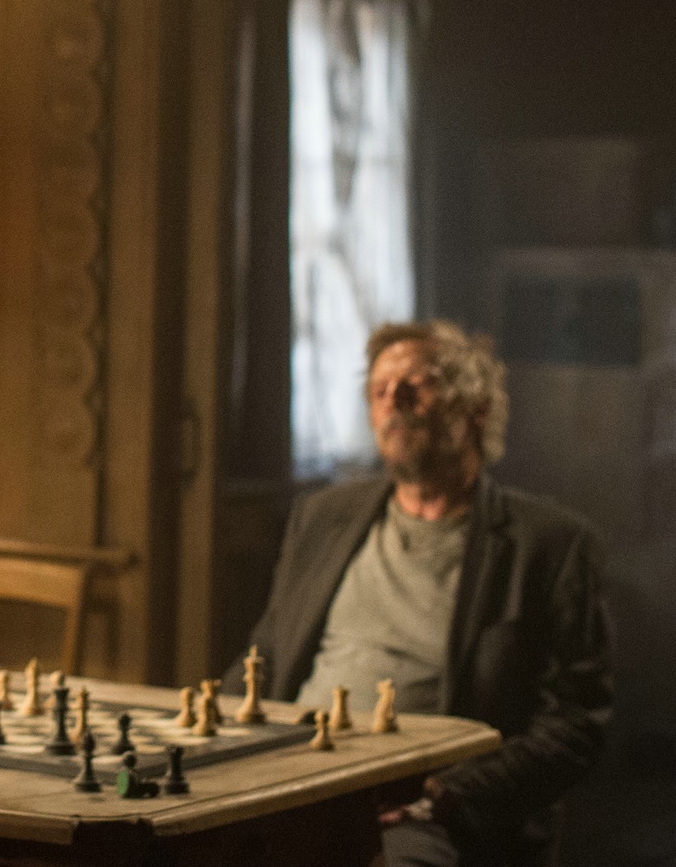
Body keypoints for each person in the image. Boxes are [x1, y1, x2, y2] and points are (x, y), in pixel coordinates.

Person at [227, 319, 612, 867]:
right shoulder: (323, 517)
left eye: (415, 386)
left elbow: (574, 726)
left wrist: (443, 797)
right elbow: (265, 655)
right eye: (379, 390)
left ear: (476, 409)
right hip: (290, 780)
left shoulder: (548, 545)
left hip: (422, 811)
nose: (393, 402)